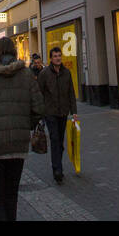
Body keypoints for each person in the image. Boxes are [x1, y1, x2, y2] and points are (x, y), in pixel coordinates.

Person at [0, 36, 43, 221]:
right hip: (18, 145)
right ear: (14, 51)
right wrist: (25, 127)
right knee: (11, 195)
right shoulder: (26, 74)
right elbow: (38, 108)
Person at [37, 46, 78, 184]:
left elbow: (71, 93)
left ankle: (58, 165)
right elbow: (39, 92)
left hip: (63, 112)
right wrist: (40, 111)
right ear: (51, 58)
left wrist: (74, 112)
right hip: (50, 112)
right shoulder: (44, 74)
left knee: (60, 141)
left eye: (59, 55)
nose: (58, 58)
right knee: (54, 139)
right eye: (55, 56)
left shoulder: (66, 73)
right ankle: (57, 170)